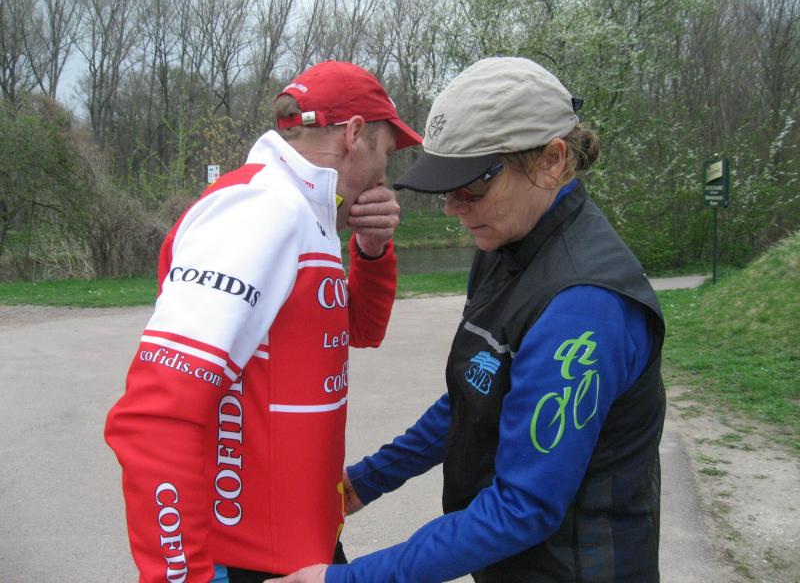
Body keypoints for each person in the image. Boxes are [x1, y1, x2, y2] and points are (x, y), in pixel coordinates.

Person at [278, 56, 666, 583]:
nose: (453, 208)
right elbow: (476, 396)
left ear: (552, 161)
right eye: (447, 188)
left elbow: (521, 508)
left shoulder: (584, 306)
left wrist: (345, 579)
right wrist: (366, 481)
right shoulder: (506, 244)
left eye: (472, 187)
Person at [104, 60, 422, 583]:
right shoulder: (260, 209)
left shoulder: (308, 210)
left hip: (304, 546)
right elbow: (154, 417)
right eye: (386, 152)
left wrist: (371, 249)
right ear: (354, 134)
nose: (385, 176)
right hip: (243, 559)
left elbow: (358, 331)